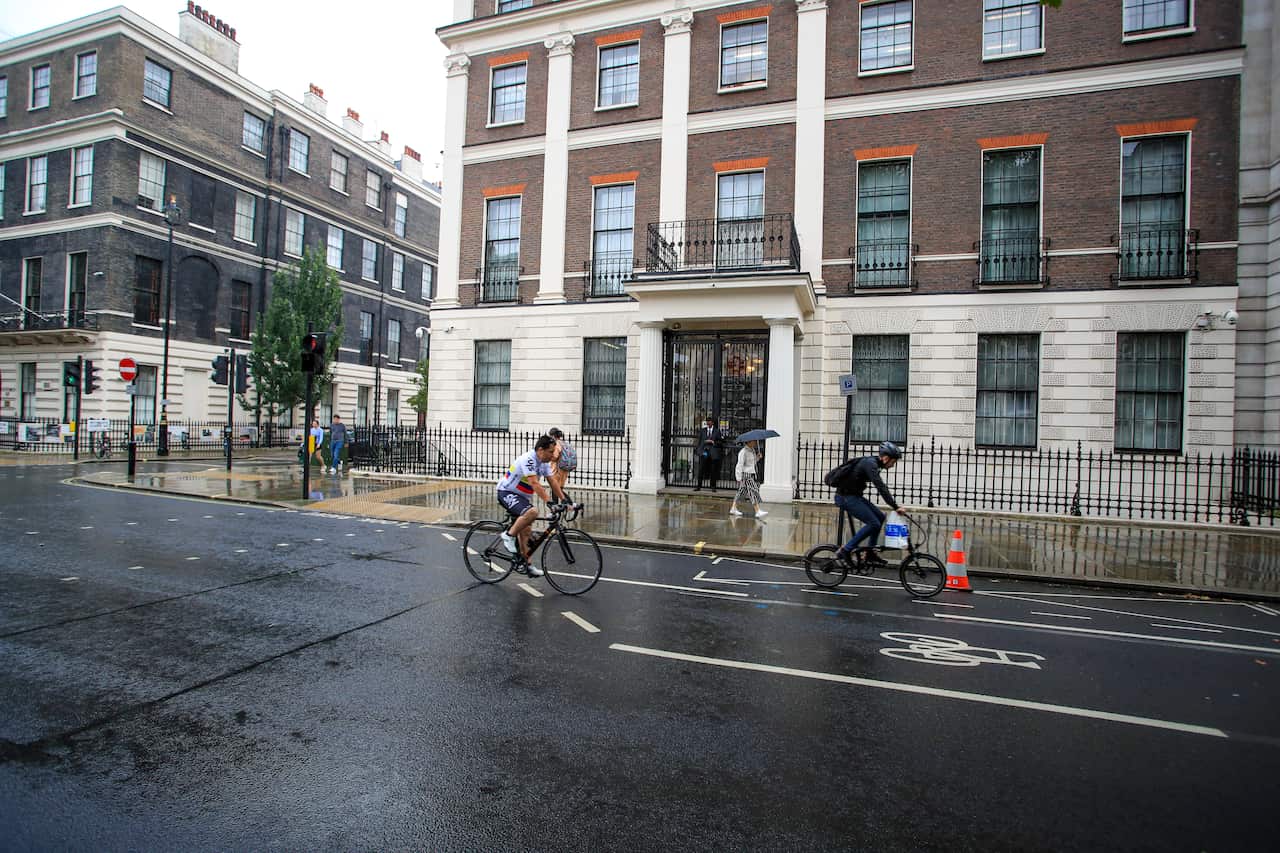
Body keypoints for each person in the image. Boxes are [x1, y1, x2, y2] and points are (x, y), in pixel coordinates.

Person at [496, 435, 567, 577]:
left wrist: (565, 501)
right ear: (540, 450)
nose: (553, 455)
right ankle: (508, 535)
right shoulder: (528, 459)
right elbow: (534, 483)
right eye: (550, 452)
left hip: (521, 497)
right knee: (533, 512)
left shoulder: (544, 462)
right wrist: (549, 503)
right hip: (506, 492)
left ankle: (526, 565)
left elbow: (552, 481)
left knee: (526, 532)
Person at [833, 441, 910, 567]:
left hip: (854, 496)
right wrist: (895, 507)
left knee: (880, 517)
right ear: (886, 458)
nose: (893, 465)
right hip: (845, 498)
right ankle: (846, 550)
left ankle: (870, 553)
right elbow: (880, 487)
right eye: (893, 462)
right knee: (873, 523)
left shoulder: (874, 463)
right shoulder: (871, 464)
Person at [729, 439, 767, 519]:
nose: (755, 443)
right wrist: (738, 477)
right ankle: (757, 511)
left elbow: (751, 463)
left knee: (741, 492)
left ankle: (733, 508)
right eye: (753, 441)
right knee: (753, 491)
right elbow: (739, 465)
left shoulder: (752, 450)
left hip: (750, 473)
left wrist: (757, 458)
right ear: (749, 442)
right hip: (746, 475)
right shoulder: (743, 452)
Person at [547, 427, 577, 502]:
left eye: (550, 436)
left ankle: (567, 505)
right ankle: (564, 506)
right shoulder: (564, 443)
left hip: (557, 469)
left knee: (555, 489)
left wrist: (547, 456)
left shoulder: (556, 444)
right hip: (564, 469)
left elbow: (555, 457)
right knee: (559, 488)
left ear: (553, 436)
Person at [694, 416, 723, 491]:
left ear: (712, 423)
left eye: (709, 421)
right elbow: (699, 441)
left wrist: (713, 442)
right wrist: (698, 450)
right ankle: (699, 486)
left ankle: (713, 486)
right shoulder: (702, 430)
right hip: (704, 452)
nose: (708, 422)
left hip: (713, 452)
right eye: (707, 421)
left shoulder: (717, 431)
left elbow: (720, 442)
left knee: (713, 470)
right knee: (701, 469)